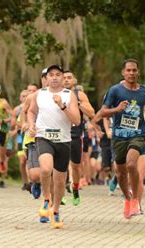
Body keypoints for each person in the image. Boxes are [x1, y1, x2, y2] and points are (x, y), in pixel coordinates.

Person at [97, 59, 145, 219]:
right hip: (119, 136)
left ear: (138, 72)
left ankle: (135, 200)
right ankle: (128, 200)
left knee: (131, 164)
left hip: (138, 134)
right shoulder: (115, 90)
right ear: (123, 72)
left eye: (134, 70)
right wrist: (117, 109)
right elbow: (102, 112)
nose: (131, 73)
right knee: (120, 172)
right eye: (128, 70)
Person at [28, 65, 80, 228]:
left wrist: (62, 106)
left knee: (59, 181)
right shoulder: (39, 94)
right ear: (46, 78)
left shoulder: (68, 95)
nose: (55, 77)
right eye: (51, 75)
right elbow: (31, 111)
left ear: (63, 78)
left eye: (58, 75)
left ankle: (56, 211)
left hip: (63, 140)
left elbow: (76, 120)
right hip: (44, 137)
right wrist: (31, 124)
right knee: (45, 169)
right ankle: (46, 199)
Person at [62, 70, 95, 206]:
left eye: (69, 77)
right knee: (60, 166)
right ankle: (61, 193)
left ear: (74, 81)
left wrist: (78, 103)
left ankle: (75, 189)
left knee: (75, 166)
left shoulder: (79, 94)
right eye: (64, 78)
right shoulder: (54, 94)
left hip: (75, 134)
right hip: (60, 133)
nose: (66, 80)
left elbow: (92, 113)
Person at [11, 89, 31, 192]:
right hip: (20, 137)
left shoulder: (33, 106)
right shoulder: (17, 109)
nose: (24, 98)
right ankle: (25, 182)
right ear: (20, 98)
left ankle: (31, 182)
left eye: (26, 96)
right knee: (22, 161)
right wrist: (23, 124)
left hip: (31, 135)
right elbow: (13, 124)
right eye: (22, 96)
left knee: (29, 159)